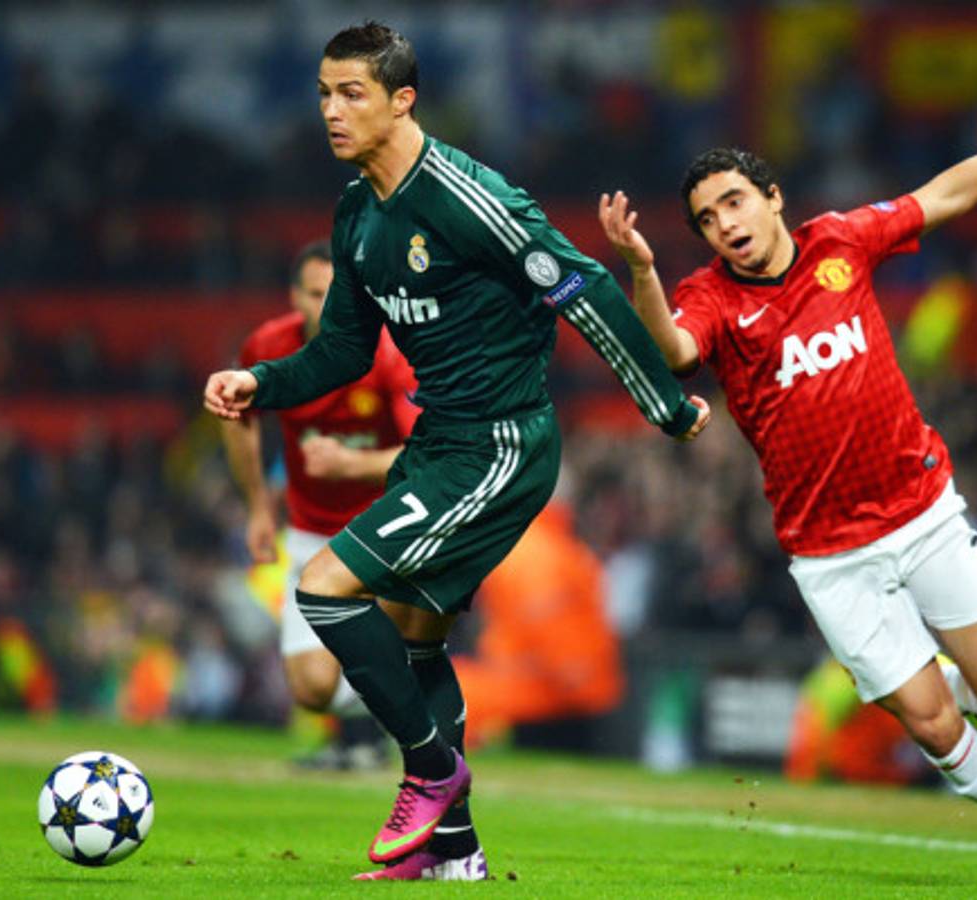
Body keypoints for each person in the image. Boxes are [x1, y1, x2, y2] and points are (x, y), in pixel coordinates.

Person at [203, 21, 709, 882]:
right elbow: (344, 354)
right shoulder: (357, 211)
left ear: (403, 100)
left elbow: (576, 283)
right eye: (324, 93)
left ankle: (432, 770)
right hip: (440, 441)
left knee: (323, 590)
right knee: (411, 643)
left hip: (501, 444)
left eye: (352, 93)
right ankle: (455, 856)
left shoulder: (467, 197)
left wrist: (663, 403)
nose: (331, 110)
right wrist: (263, 381)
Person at [599, 92, 977, 888]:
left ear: (772, 198)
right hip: (827, 553)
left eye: (733, 200)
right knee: (930, 725)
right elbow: (670, 351)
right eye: (705, 217)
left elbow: (944, 193)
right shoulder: (710, 297)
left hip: (922, 514)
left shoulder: (840, 240)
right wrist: (641, 268)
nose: (724, 223)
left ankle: (945, 677)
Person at [219, 239, 417, 766]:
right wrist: (259, 507)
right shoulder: (269, 345)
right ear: (294, 297)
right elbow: (236, 417)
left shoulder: (387, 354)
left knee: (382, 643)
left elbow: (427, 451)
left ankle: (378, 737)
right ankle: (368, 730)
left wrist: (353, 465)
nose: (326, 306)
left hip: (381, 532)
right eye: (314, 293)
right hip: (308, 532)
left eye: (337, 293)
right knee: (310, 689)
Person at [454, 498, 624, 750]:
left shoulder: (529, 550)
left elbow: (546, 618)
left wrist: (569, 673)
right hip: (576, 683)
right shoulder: (556, 544)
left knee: (453, 689)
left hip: (549, 688)